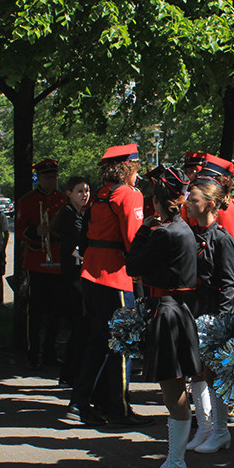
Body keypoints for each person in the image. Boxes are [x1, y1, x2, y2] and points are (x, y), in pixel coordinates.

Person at [124, 167, 202, 468]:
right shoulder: (179, 227)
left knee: (173, 397)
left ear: (157, 199)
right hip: (173, 311)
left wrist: (143, 230)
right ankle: (174, 462)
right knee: (173, 394)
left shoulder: (164, 232)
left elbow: (133, 266)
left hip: (167, 313)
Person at [70, 144, 150, 426]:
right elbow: (133, 239)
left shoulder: (102, 193)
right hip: (115, 276)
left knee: (98, 342)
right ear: (129, 167)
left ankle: (81, 402)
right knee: (122, 345)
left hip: (92, 273)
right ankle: (120, 409)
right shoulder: (128, 194)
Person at [183, 175, 234, 455]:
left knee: (214, 373)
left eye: (193, 199)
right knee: (196, 371)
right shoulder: (192, 234)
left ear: (210, 204)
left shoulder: (221, 238)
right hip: (194, 306)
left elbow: (228, 282)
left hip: (213, 310)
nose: (188, 203)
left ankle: (220, 429)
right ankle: (204, 426)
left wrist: (222, 322)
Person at [15, 159, 69, 369]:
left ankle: (49, 352)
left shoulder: (63, 199)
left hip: (58, 259)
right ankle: (32, 352)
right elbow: (19, 231)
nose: (52, 181)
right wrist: (36, 231)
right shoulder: (28, 200)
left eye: (54, 177)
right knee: (36, 310)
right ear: (40, 178)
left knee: (55, 311)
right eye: (47, 177)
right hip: (38, 261)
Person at [53, 176, 91, 387]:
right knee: (80, 326)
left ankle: (72, 372)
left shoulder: (78, 214)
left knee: (81, 327)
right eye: (80, 191)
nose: (84, 194)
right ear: (68, 193)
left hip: (76, 275)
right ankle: (70, 373)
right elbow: (75, 249)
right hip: (72, 277)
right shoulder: (69, 216)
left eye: (87, 190)